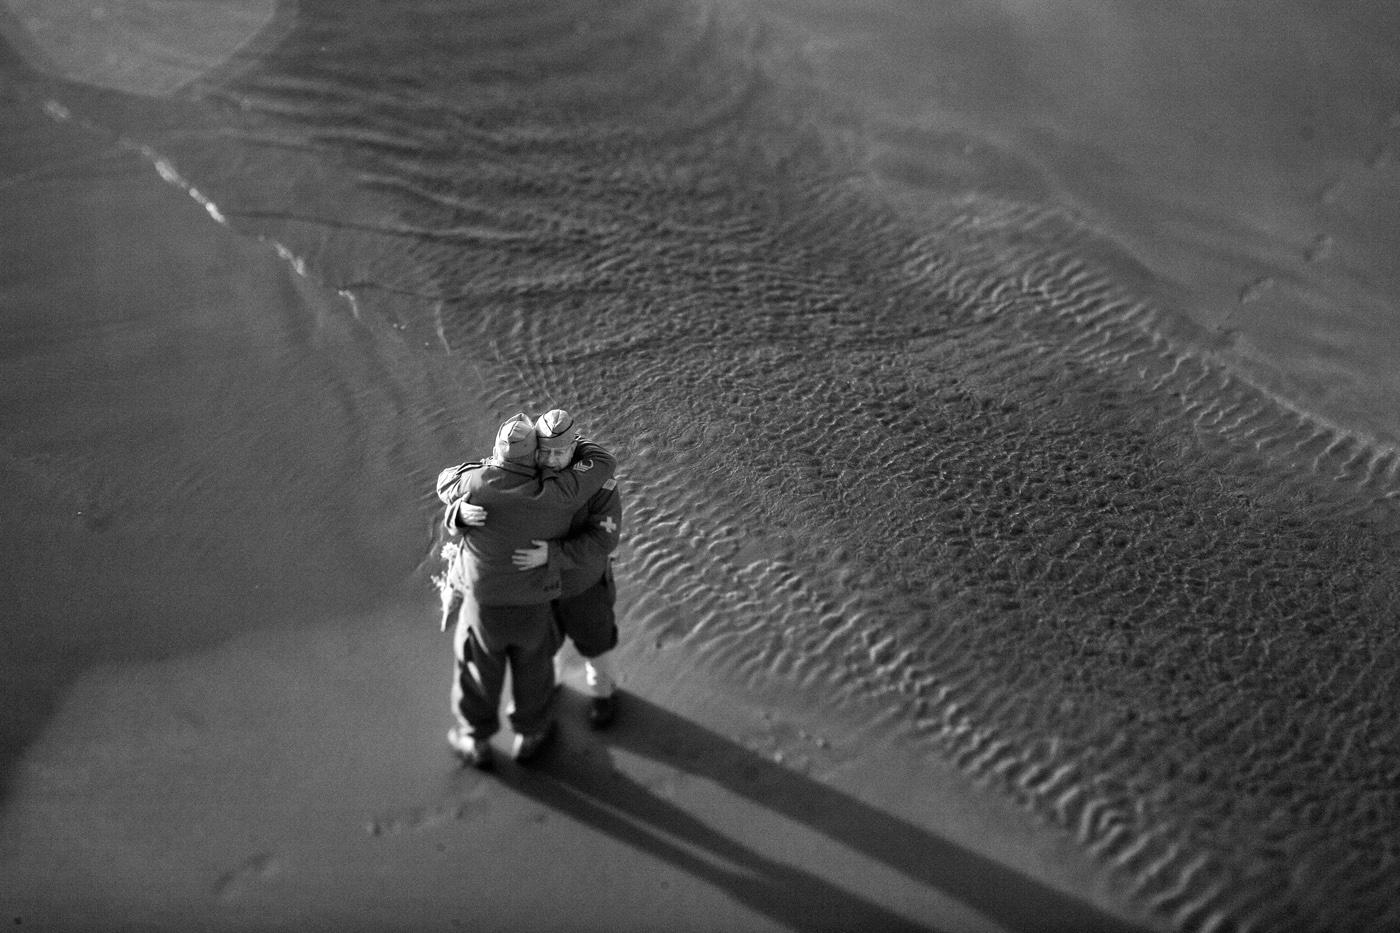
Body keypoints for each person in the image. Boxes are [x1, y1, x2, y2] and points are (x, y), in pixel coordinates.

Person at [435, 414, 616, 768]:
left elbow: (445, 481)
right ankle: (531, 735)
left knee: (475, 669)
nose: (550, 460)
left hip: (486, 605)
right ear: (535, 456)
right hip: (535, 602)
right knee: (535, 670)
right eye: (544, 453)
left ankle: (475, 739)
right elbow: (605, 462)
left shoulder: (475, 484)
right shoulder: (558, 492)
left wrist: (456, 512)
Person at [517, 409, 624, 728]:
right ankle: (547, 687)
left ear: (574, 447)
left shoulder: (600, 486)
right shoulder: (524, 474)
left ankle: (603, 694)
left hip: (584, 587)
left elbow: (604, 540)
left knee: (597, 644)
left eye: (559, 452)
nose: (550, 460)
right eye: (545, 452)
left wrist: (552, 554)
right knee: (539, 647)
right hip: (538, 589)